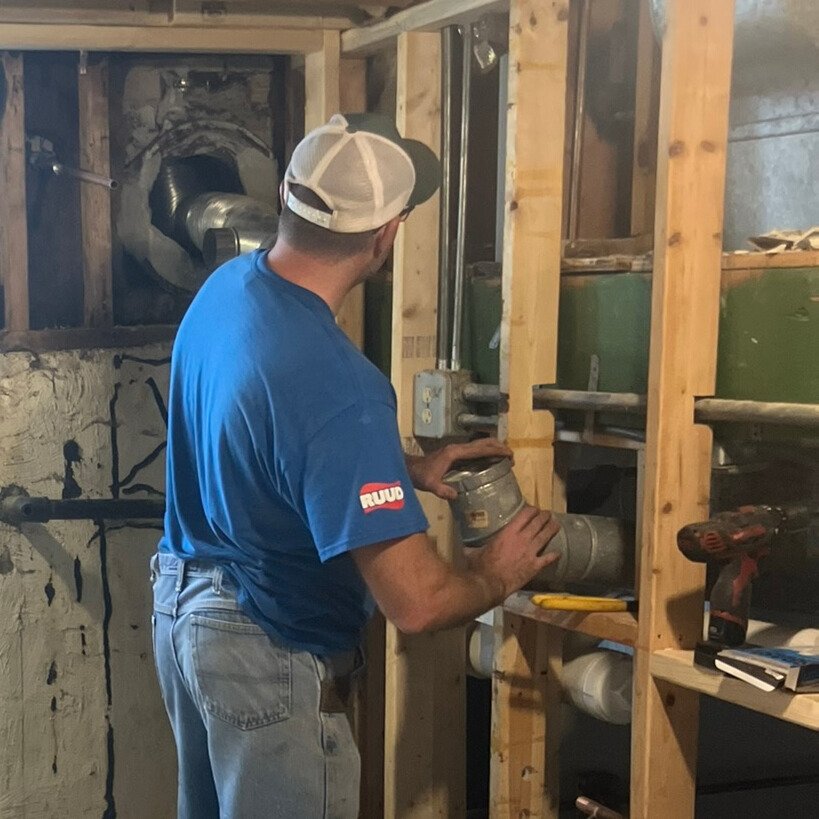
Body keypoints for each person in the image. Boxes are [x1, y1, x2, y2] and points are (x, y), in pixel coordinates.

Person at [151, 113, 561, 819]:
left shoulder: (227, 292)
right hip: (265, 642)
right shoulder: (341, 388)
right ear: (386, 235)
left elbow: (271, 443)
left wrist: (404, 468)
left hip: (187, 610)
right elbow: (419, 602)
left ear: (285, 194)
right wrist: (498, 572)